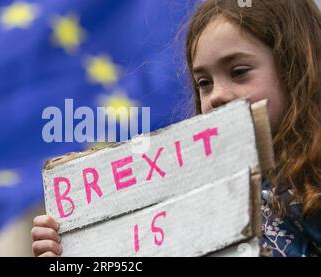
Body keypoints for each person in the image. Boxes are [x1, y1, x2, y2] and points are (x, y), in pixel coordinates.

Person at [31, 0, 321, 257]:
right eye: (204, 83)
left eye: (238, 72)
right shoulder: (196, 203)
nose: (216, 95)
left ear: (293, 68)